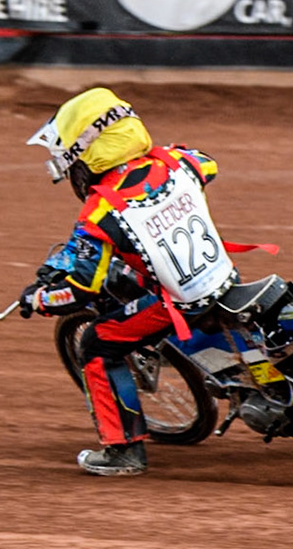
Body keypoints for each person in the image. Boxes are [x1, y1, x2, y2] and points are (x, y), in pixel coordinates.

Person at [16, 87, 252, 476]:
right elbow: (208, 165)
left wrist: (38, 300)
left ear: (86, 154)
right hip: (223, 276)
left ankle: (122, 451)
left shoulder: (100, 212)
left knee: (96, 342)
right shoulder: (178, 161)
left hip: (181, 302)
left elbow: (79, 289)